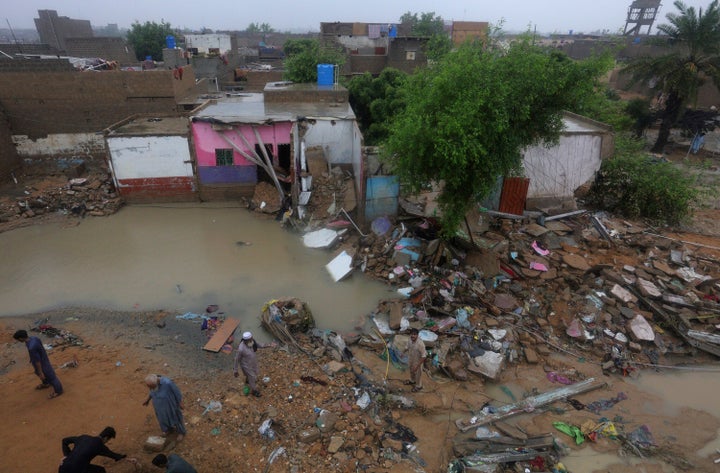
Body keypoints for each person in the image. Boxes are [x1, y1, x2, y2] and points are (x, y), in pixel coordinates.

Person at [13, 329, 63, 399]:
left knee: (51, 377)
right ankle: (46, 383)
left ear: (21, 338)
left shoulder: (31, 347)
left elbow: (37, 361)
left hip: (42, 363)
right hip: (42, 358)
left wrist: (41, 372)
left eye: (18, 339)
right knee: (38, 373)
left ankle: (58, 391)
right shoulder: (34, 338)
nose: (18, 341)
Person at [58, 426, 132, 473]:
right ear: (106, 438)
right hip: (77, 470)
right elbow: (114, 455)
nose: (107, 442)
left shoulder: (83, 437)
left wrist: (66, 456)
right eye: (108, 440)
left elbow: (64, 441)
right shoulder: (99, 445)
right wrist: (128, 459)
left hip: (62, 467)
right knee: (101, 471)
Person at [143, 374, 186, 441]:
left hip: (170, 405)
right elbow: (152, 392)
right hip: (159, 406)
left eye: (152, 387)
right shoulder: (153, 385)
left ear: (157, 382)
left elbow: (177, 392)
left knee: (176, 418)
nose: (151, 389)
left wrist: (180, 403)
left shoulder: (168, 383)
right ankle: (167, 430)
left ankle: (181, 432)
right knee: (162, 418)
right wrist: (148, 399)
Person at [233, 331, 274, 398]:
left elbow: (258, 345)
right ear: (245, 340)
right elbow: (237, 359)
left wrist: (269, 345)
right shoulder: (241, 349)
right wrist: (235, 370)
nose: (252, 340)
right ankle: (254, 391)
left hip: (253, 362)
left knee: (254, 373)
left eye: (252, 338)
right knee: (252, 377)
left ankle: (247, 380)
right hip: (246, 365)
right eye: (250, 340)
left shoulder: (252, 342)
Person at [404, 328, 427, 392]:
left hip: (418, 361)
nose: (413, 336)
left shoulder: (420, 344)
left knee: (418, 374)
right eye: (411, 334)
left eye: (414, 334)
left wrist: (417, 366)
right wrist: (403, 352)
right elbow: (407, 347)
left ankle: (418, 386)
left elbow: (424, 356)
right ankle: (412, 380)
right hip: (411, 358)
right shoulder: (410, 340)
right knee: (411, 370)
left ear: (417, 335)